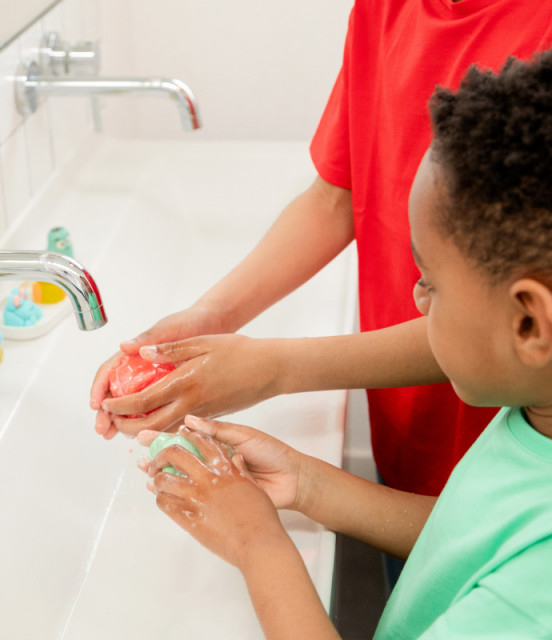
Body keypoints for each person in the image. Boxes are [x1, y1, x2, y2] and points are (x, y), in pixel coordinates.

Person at [139, 51, 552, 638]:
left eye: (431, 281)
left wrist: (258, 544)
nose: (417, 299)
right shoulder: (534, 413)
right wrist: (308, 483)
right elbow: (473, 539)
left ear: (530, 325)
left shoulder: (537, 595)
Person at [91, 1, 552, 500]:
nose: (419, 296)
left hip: (511, 442)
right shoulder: (384, 8)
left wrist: (273, 369)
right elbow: (337, 194)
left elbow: (497, 326)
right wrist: (212, 316)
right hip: (407, 430)